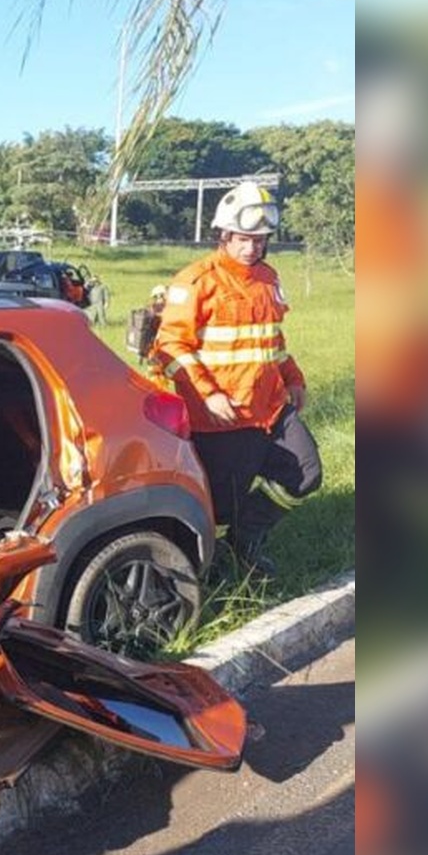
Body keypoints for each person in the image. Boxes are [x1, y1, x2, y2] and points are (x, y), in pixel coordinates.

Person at [151, 182, 322, 577]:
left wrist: (293, 378)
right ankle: (217, 569)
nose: (252, 248)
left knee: (306, 474)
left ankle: (246, 536)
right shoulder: (196, 281)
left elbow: (271, 339)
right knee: (220, 506)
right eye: (244, 239)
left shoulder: (267, 277)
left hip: (271, 407)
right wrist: (209, 396)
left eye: (260, 240)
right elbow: (170, 346)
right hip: (222, 416)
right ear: (224, 235)